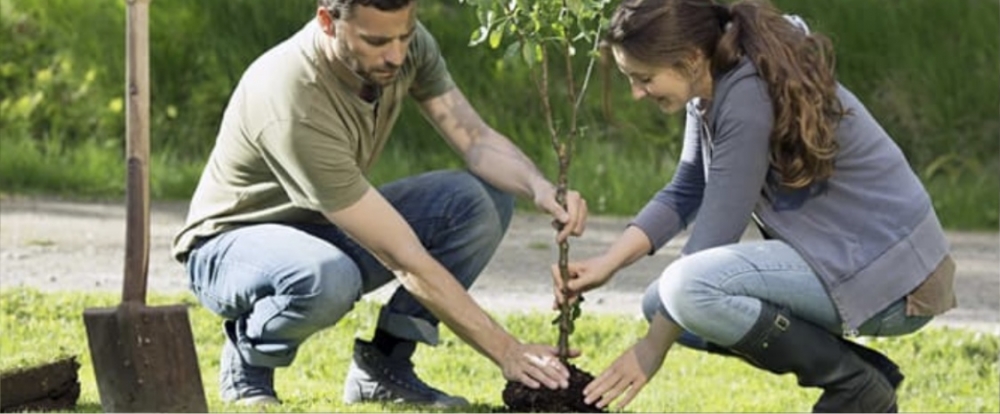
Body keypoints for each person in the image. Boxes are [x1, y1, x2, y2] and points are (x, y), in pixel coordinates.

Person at [171, 0, 590, 407]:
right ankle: (249, 359)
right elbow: (401, 257)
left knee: (478, 202)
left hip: (325, 225)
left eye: (404, 37)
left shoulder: (403, 43)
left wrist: (539, 187)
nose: (395, 55)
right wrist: (507, 350)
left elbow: (475, 139)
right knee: (325, 277)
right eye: (376, 42)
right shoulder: (293, 98)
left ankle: (384, 367)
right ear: (327, 22)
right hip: (230, 248)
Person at [551, 0, 956, 412]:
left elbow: (712, 237)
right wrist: (609, 263)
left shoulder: (747, 94)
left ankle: (854, 384)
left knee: (686, 291)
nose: (636, 93)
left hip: (897, 282)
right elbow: (686, 190)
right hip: (854, 263)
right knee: (662, 302)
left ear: (690, 59)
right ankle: (863, 375)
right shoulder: (710, 83)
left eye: (644, 78)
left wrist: (649, 350)